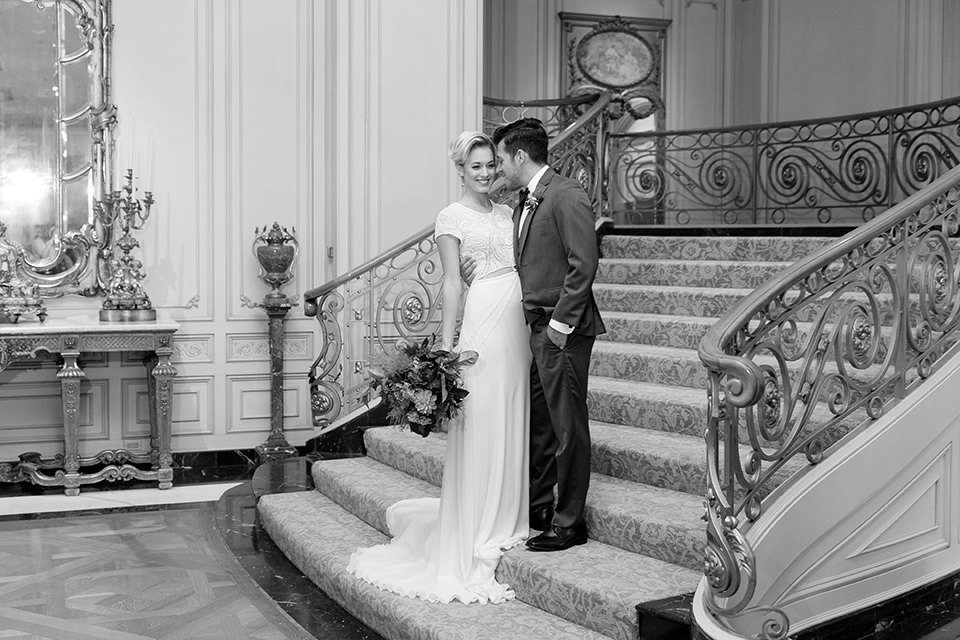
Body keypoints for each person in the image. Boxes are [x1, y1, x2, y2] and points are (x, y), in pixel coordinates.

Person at [347, 131, 530, 604]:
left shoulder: (511, 213)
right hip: (482, 324)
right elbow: (452, 283)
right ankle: (476, 522)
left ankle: (508, 516)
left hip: (518, 325)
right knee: (484, 417)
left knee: (512, 412)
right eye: (477, 167)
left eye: (492, 165)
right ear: (460, 170)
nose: (487, 173)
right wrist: (446, 349)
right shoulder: (450, 217)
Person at [492, 117, 605, 552]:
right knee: (540, 425)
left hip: (563, 330)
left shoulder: (566, 194)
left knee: (567, 427)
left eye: (501, 159)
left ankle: (569, 522)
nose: (499, 167)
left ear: (520, 155)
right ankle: (538, 506)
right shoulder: (526, 200)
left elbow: (584, 264)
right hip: (534, 327)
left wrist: (560, 325)